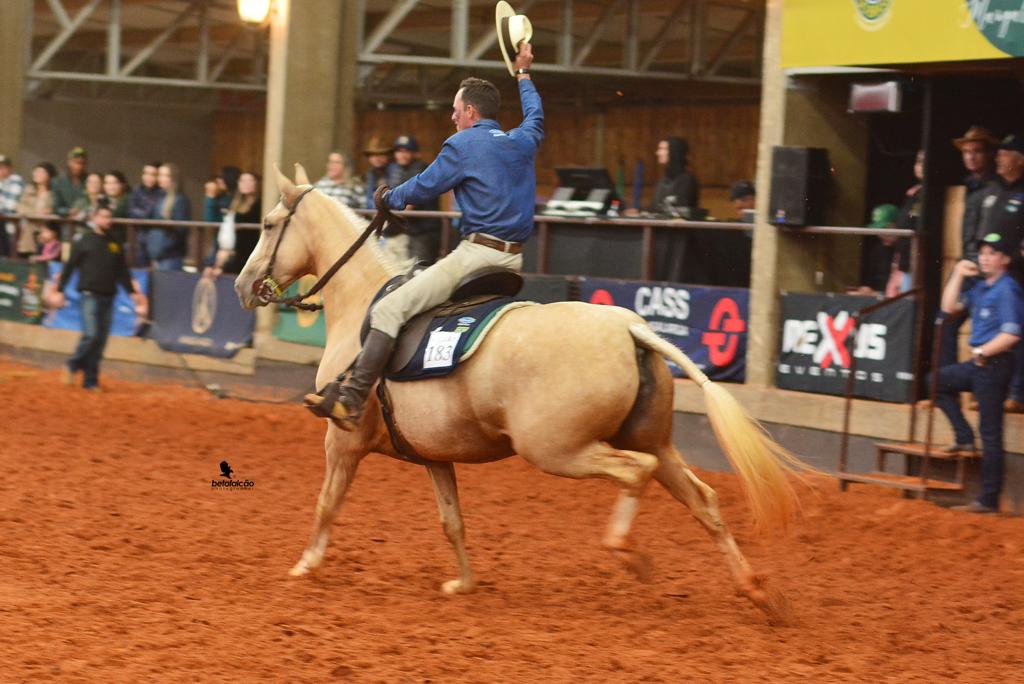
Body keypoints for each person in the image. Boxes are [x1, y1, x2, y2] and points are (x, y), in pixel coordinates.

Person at [308, 41, 542, 428]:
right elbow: (535, 113)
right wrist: (524, 74)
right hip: (514, 259)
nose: (452, 117)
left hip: (477, 256)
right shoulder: (523, 139)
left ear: (469, 111)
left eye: (454, 110)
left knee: (388, 309)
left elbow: (422, 186)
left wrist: (388, 196)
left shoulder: (463, 143)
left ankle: (351, 399)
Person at [935, 233, 1024, 514]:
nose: (985, 258)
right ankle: (963, 436)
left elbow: (1012, 333)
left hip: (994, 364)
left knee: (990, 431)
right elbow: (948, 308)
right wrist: (958, 274)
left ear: (1006, 260)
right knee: (935, 381)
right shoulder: (981, 287)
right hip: (979, 363)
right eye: (983, 253)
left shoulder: (1007, 289)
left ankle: (987, 499)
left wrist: (984, 352)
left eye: (992, 253)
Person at [51, 205, 146, 391]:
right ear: (95, 217)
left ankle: (90, 381)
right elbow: (70, 266)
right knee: (91, 334)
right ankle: (73, 363)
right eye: (103, 216)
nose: (107, 220)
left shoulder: (115, 242)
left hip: (109, 296)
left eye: (109, 217)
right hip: (89, 295)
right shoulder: (84, 240)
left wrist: (132, 293)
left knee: (100, 342)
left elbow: (122, 271)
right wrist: (60, 289)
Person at [975, 134, 1024, 411]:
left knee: (1015, 330)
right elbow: (978, 228)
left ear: (1019, 160)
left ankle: (1017, 394)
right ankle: (979, 388)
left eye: (1004, 154)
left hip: (1016, 272)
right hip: (987, 272)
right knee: (952, 319)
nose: (998, 158)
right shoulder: (992, 190)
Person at [388, 135, 444, 265]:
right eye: (399, 151)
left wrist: (387, 212)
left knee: (419, 271)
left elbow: (408, 204)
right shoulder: (398, 170)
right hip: (410, 230)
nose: (402, 155)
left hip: (425, 232)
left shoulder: (421, 169)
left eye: (406, 151)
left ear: (415, 153)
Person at [203, 171, 262, 278]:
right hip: (228, 258)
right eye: (242, 180)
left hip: (243, 261)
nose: (246, 183)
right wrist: (212, 263)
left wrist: (225, 266)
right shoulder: (233, 205)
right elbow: (221, 231)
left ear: (256, 184)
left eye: (250, 180)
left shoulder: (259, 207)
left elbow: (247, 242)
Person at [955, 126, 999, 262]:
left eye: (977, 151)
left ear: (989, 153)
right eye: (966, 152)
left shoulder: (997, 186)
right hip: (968, 260)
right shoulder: (967, 185)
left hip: (986, 262)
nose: (971, 157)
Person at [146, 162, 190, 271]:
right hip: (156, 253)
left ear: (173, 178)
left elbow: (181, 230)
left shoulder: (180, 200)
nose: (160, 178)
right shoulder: (159, 197)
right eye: (160, 175)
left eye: (165, 175)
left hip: (170, 255)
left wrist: (164, 248)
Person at [853, 203, 901, 295]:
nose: (881, 234)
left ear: (897, 225)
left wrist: (876, 294)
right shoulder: (877, 250)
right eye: (878, 229)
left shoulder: (908, 251)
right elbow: (870, 283)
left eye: (884, 228)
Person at [15, 163, 57, 260]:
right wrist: (34, 213)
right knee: (27, 228)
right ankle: (26, 254)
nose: (37, 174)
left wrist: (47, 212)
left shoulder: (53, 193)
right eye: (36, 171)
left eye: (41, 172)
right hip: (29, 223)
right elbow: (19, 206)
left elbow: (53, 208)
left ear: (49, 175)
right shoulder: (28, 190)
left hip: (47, 226)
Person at [128, 161, 162, 266]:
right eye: (146, 173)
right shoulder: (137, 190)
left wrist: (142, 214)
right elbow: (131, 211)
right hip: (138, 238)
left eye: (153, 175)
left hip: (156, 239)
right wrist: (144, 214)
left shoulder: (162, 193)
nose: (148, 177)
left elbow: (152, 213)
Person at [0, 154, 25, 258]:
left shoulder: (16, 180)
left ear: (10, 168)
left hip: (11, 227)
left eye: (3, 167)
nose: (0, 170)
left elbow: (10, 206)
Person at [52, 146, 88, 218]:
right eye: (76, 162)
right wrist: (68, 211)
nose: (78, 166)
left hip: (85, 221)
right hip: (63, 222)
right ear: (69, 162)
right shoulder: (58, 182)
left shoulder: (90, 181)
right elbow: (56, 207)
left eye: (82, 163)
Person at [363, 137, 393, 209]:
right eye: (373, 155)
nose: (377, 158)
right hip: (375, 213)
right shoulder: (370, 173)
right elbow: (368, 198)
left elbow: (394, 197)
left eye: (381, 154)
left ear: (388, 156)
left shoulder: (395, 171)